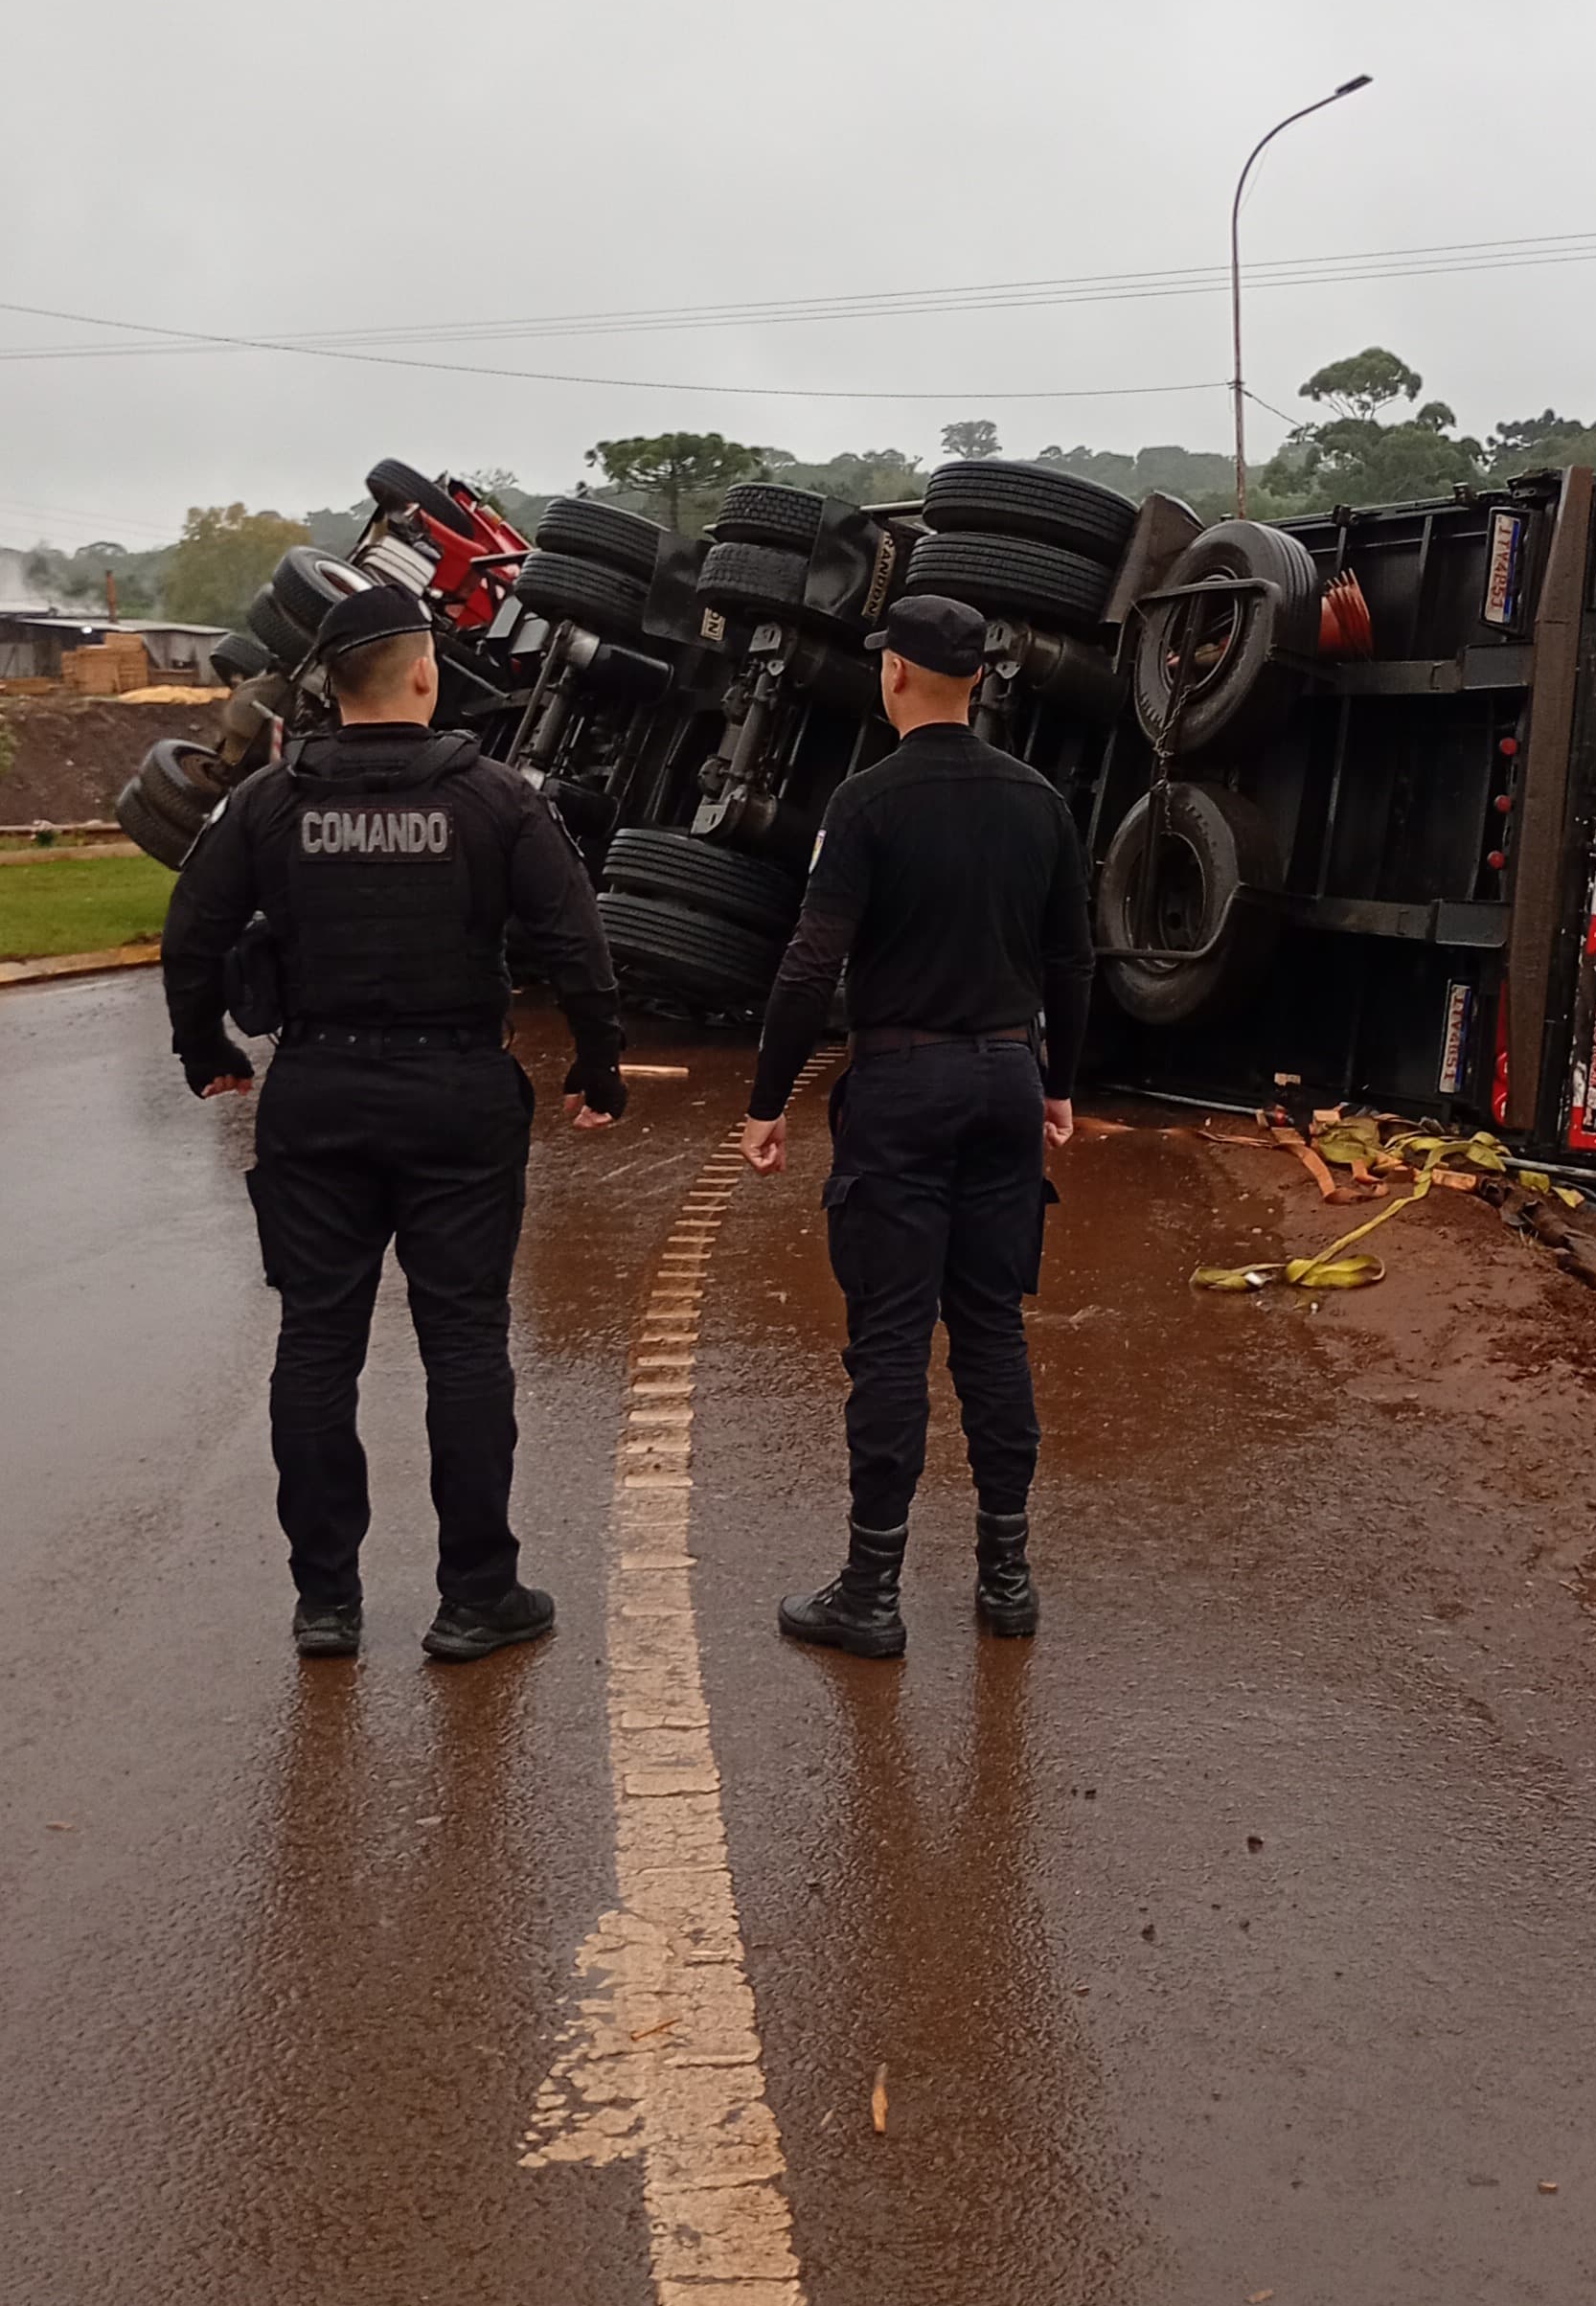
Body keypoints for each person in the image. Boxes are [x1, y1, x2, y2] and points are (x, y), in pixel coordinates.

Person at [159, 579, 627, 1664]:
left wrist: (207, 1052)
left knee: (317, 1342)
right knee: (464, 1342)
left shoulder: (270, 801)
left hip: (317, 1093)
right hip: (455, 1094)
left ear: (331, 685)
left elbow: (193, 933)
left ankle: (326, 1601)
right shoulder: (496, 799)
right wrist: (597, 1070)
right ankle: (478, 1598)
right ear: (424, 673)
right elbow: (578, 947)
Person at [740, 588, 1096, 1657]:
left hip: (902, 1086)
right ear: (979, 678)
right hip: (1005, 1079)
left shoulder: (866, 803)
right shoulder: (1039, 801)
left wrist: (769, 1099)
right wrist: (1060, 1083)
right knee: (990, 1325)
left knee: (891, 1337)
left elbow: (811, 963)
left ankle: (872, 1591)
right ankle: (1007, 1577)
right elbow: (1072, 961)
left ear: (892, 673)